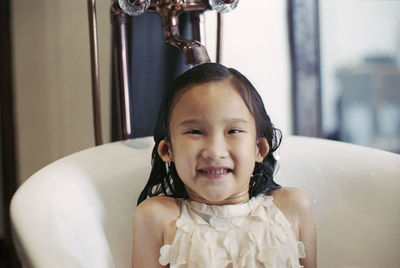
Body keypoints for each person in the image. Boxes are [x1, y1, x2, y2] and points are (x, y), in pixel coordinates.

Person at [132, 63, 317, 268]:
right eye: (195, 131)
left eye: (233, 131)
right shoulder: (156, 216)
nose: (215, 151)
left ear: (260, 149)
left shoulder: (291, 207)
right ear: (168, 150)